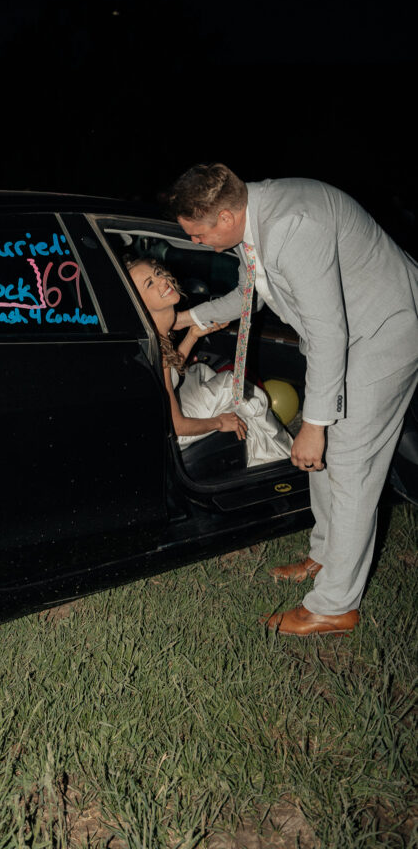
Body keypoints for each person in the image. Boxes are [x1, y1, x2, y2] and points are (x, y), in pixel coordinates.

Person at [162, 163, 418, 636]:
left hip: (385, 333)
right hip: (351, 334)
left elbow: (327, 332)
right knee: (318, 458)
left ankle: (334, 606)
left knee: (351, 462)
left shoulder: (292, 227)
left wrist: (316, 424)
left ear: (223, 218)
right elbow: (249, 293)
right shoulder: (252, 219)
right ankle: (325, 555)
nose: (195, 243)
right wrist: (190, 318)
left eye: (196, 234)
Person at [127, 259, 293, 466]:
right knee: (233, 386)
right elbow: (176, 426)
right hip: (172, 433)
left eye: (158, 273)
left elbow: (167, 372)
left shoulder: (154, 334)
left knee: (200, 372)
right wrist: (219, 422)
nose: (162, 280)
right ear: (138, 304)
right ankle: (283, 458)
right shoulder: (154, 346)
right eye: (149, 283)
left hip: (164, 417)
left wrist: (193, 335)